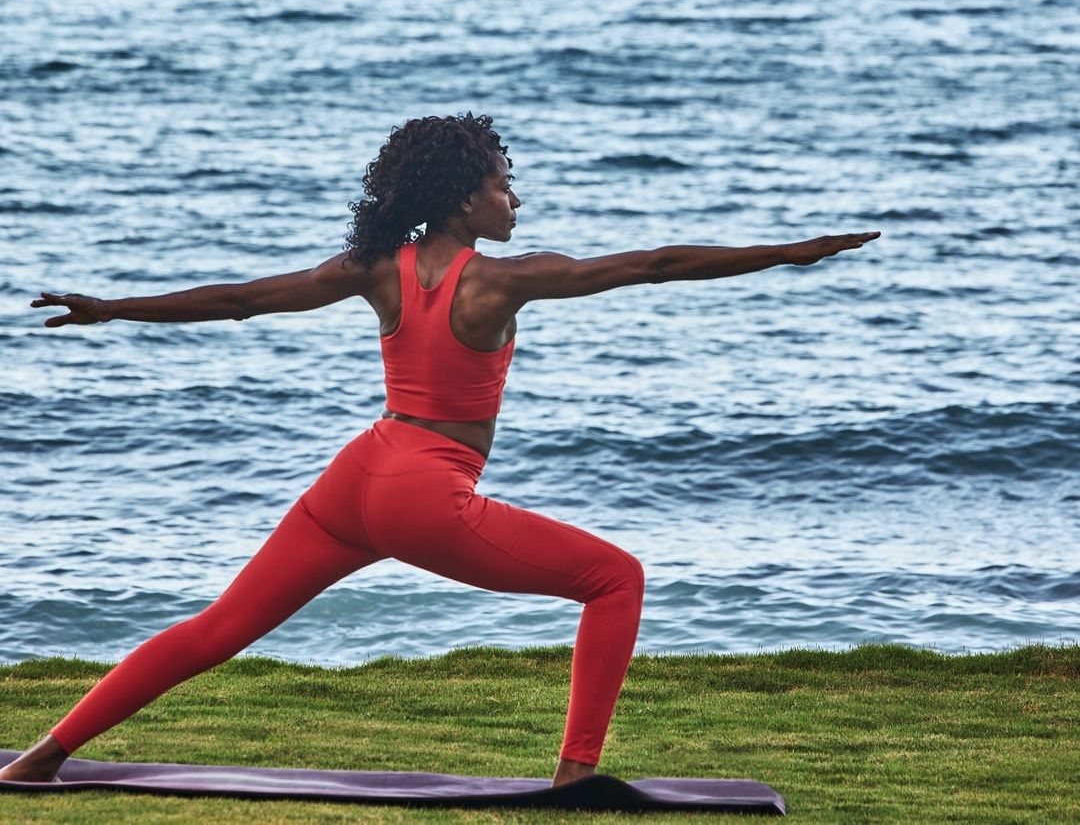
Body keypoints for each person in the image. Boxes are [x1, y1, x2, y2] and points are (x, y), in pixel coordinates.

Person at [1, 112, 880, 785]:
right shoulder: (504, 278)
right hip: (425, 490)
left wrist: (116, 308)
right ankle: (574, 778)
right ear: (465, 197)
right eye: (505, 184)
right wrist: (793, 253)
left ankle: (43, 757)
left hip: (358, 475)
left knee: (218, 628)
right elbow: (654, 265)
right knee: (618, 579)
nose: (516, 199)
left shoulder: (373, 267)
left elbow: (242, 299)